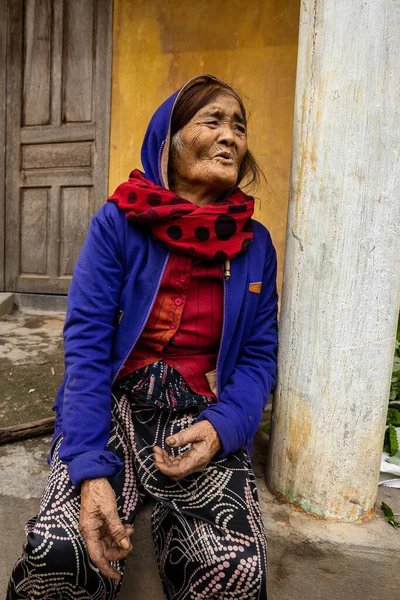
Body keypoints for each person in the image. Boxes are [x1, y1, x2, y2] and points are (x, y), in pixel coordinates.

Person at [7, 74, 278, 600]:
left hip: (203, 407)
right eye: (213, 121)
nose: (231, 137)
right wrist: (88, 469)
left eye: (239, 127)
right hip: (117, 402)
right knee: (63, 549)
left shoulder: (254, 243)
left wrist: (224, 428)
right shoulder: (119, 223)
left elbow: (259, 355)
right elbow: (86, 345)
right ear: (167, 142)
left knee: (233, 567)